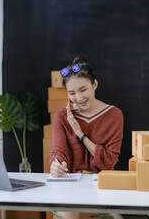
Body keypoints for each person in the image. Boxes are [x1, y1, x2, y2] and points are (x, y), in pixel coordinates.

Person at [49, 56, 124, 219]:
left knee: (75, 213)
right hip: (71, 185)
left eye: (83, 90)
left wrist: (80, 134)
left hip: (101, 186)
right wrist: (56, 165)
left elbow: (109, 161)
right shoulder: (62, 117)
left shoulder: (114, 115)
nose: (79, 98)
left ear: (94, 85)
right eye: (72, 93)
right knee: (73, 211)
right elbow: (58, 152)